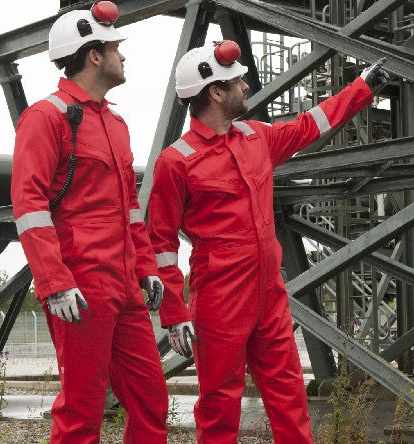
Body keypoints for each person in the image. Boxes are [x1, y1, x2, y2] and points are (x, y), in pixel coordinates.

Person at [147, 40, 389, 443]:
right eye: (237, 82)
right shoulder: (176, 161)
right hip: (219, 296)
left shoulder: (256, 137)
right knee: (220, 404)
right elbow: (161, 242)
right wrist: (173, 312)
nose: (246, 87)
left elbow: (310, 124)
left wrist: (361, 87)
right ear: (215, 92)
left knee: (289, 393)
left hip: (268, 291)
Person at [10, 2, 168, 442]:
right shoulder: (46, 117)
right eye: (116, 48)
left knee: (151, 398)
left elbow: (129, 209)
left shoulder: (115, 123)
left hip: (126, 284)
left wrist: (148, 268)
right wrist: (55, 281)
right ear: (94, 56)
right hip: (81, 283)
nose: (123, 55)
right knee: (82, 407)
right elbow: (29, 204)